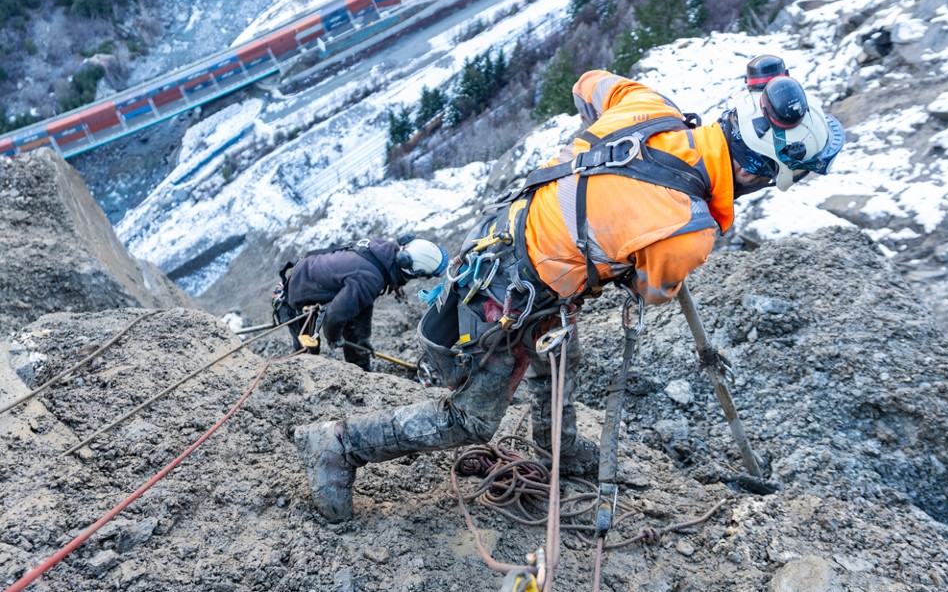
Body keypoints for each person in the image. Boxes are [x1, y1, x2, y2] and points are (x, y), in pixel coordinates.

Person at [294, 56, 845, 521]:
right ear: (759, 173)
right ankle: (341, 445)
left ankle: (558, 448)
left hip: (504, 235)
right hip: (513, 293)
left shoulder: (651, 108)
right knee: (471, 420)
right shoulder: (689, 231)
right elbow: (652, 289)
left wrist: (595, 176)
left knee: (559, 361)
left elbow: (588, 85)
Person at [274, 236, 448, 370]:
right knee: (308, 351)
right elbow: (334, 317)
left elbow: (363, 301)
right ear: (410, 271)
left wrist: (363, 338)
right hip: (300, 291)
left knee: (355, 334)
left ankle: (361, 373)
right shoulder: (370, 277)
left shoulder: (383, 255)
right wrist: (334, 338)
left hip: (319, 278)